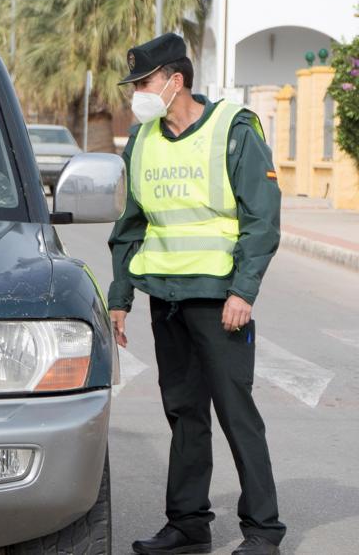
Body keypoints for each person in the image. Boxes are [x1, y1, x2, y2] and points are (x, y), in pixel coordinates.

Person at [108, 34, 284, 555]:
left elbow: (261, 219)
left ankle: (263, 531)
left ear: (174, 80)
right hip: (167, 298)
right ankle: (188, 525)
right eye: (134, 84)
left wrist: (243, 291)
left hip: (220, 298)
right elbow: (130, 224)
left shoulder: (233, 130)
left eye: (144, 82)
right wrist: (121, 297)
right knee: (184, 414)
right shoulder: (142, 141)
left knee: (236, 413)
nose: (136, 93)